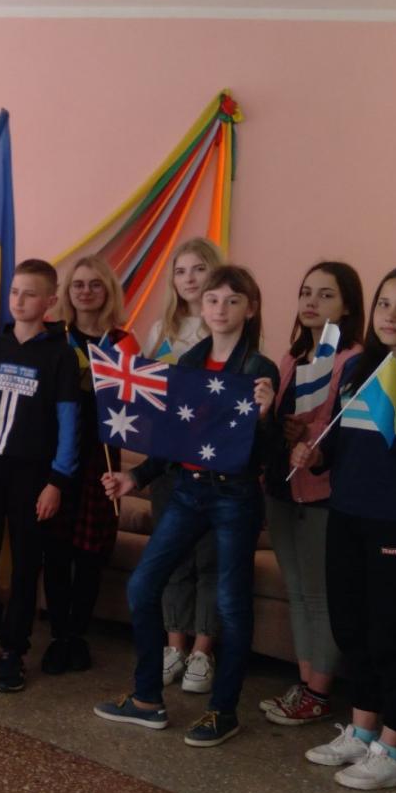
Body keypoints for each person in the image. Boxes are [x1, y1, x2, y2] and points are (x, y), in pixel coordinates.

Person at [94, 264, 278, 747]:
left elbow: (267, 454)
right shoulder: (190, 362)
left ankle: (223, 710)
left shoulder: (259, 369)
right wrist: (136, 476)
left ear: (250, 309)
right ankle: (146, 699)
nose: (220, 308)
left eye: (232, 300)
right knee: (143, 584)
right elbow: (172, 437)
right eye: (213, 300)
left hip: (235, 495)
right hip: (188, 490)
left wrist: (266, 416)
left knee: (231, 603)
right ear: (202, 306)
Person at [292, 265, 396, 788]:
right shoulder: (361, 368)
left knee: (392, 636)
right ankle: (362, 733)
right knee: (351, 630)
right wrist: (314, 455)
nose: (392, 315)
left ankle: (394, 751)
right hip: (346, 515)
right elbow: (340, 444)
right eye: (385, 303)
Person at [0, 259, 80, 692]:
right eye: (14, 292)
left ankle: (14, 647)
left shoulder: (61, 355)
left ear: (49, 301)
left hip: (34, 475)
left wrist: (57, 481)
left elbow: (69, 423)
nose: (19, 300)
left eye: (30, 294)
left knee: (27, 564)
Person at [259, 261, 365, 724]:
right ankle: (304, 685)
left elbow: (341, 428)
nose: (311, 302)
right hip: (279, 488)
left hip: (320, 493)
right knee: (298, 592)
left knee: (320, 596)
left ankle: (319, 691)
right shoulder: (292, 357)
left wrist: (308, 436)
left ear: (347, 306)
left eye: (325, 294)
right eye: (306, 292)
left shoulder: (352, 360)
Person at [40, 256, 140, 675]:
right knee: (56, 549)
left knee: (91, 552)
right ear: (67, 292)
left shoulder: (124, 343)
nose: (85, 291)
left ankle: (77, 635)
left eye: (95, 284)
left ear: (108, 292)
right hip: (58, 457)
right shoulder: (53, 337)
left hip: (102, 458)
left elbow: (135, 404)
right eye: (78, 284)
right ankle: (58, 635)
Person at [144, 237, 224, 694]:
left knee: (209, 559)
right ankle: (173, 646)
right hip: (168, 463)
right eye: (180, 271)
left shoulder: (228, 327)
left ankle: (202, 651)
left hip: (212, 466)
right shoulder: (161, 331)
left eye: (198, 269)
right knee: (172, 556)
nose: (189, 278)